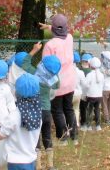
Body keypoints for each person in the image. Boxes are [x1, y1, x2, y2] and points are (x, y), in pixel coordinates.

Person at [20, 42, 61, 170]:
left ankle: (37, 165)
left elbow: (25, 63)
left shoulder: (33, 74)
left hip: (34, 110)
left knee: (35, 136)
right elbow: (57, 85)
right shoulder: (53, 81)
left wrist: (34, 50)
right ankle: (50, 164)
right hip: (47, 110)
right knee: (47, 135)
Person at [41, 14, 78, 145]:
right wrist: (50, 27)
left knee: (57, 111)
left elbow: (45, 65)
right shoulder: (70, 38)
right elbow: (62, 31)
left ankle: (62, 137)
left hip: (57, 83)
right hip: (70, 81)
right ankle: (74, 136)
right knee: (69, 109)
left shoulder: (50, 45)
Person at [0, 73, 43, 170]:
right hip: (31, 159)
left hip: (15, 161)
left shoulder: (13, 116)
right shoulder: (38, 115)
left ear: (16, 93)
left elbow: (0, 135)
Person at [83, 57, 104, 131]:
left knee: (89, 111)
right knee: (97, 110)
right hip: (99, 96)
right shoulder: (101, 75)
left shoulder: (90, 75)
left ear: (90, 66)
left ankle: (89, 126)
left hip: (91, 95)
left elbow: (85, 85)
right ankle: (98, 125)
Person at [79, 53, 93, 128]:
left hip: (81, 93)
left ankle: (83, 122)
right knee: (90, 108)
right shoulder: (91, 71)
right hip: (90, 93)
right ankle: (88, 123)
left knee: (82, 108)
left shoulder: (79, 70)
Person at [72, 52, 86, 126]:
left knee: (67, 109)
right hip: (78, 93)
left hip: (68, 93)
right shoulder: (80, 72)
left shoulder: (66, 71)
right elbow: (84, 84)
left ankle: (68, 124)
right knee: (76, 109)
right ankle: (76, 123)